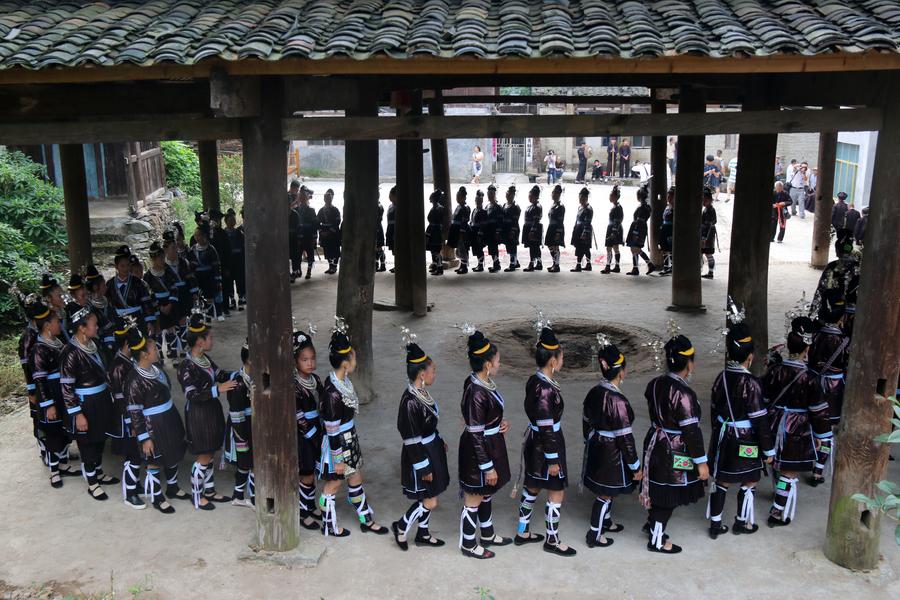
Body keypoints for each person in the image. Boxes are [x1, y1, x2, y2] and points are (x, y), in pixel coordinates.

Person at [317, 320, 387, 536]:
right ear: (345, 363)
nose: (356, 360)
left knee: (356, 478)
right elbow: (331, 429)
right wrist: (337, 459)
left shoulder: (343, 383)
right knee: (334, 485)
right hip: (339, 444)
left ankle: (365, 518)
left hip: (349, 438)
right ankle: (328, 522)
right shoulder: (331, 393)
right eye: (354, 357)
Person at [706, 321, 775, 538]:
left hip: (724, 436)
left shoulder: (721, 377)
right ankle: (742, 522)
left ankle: (715, 524)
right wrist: (768, 450)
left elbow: (714, 409)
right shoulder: (752, 383)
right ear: (750, 356)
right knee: (751, 479)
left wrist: (718, 431)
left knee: (722, 479)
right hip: (746, 441)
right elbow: (760, 420)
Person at [640, 333, 708, 554]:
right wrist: (701, 462)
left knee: (659, 489)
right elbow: (691, 432)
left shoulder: (655, 384)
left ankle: (652, 526)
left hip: (654, 441)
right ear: (689, 364)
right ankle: (657, 541)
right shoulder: (684, 394)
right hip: (674, 448)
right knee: (667, 497)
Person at [763, 317, 832, 527]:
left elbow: (765, 397)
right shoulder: (810, 378)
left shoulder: (774, 370)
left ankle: (778, 495)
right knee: (790, 471)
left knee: (776, 462)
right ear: (807, 349)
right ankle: (777, 511)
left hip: (775, 421)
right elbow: (818, 411)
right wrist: (823, 435)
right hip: (796, 426)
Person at [514, 325, 576, 557]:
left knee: (532, 486)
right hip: (546, 444)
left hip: (535, 441)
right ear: (552, 360)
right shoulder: (545, 389)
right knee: (556, 491)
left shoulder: (535, 380)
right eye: (560, 356)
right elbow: (547, 425)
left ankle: (523, 531)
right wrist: (552, 458)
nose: (562, 360)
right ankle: (552, 539)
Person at [390, 333, 450, 550]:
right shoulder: (409, 402)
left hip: (431, 448)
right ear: (422, 373)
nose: (436, 374)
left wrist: (438, 440)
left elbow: (427, 426)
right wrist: (423, 466)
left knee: (429, 495)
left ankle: (423, 533)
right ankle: (401, 526)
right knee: (430, 500)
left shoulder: (421, 393)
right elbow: (411, 437)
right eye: (433, 370)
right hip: (420, 455)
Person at [458, 328, 512, 559]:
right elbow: (475, 433)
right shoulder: (476, 392)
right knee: (474, 497)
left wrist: (499, 422)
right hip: (478, 451)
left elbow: (483, 419)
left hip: (491, 443)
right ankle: (468, 544)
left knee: (486, 492)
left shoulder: (482, 383)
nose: (500, 364)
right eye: (498, 360)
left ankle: (487, 534)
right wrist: (487, 466)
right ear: (488, 364)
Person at [582, 339, 641, 548]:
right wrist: (635, 465)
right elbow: (626, 437)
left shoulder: (594, 392)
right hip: (612, 451)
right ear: (622, 372)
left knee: (607, 487)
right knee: (605, 494)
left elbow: (585, 421)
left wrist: (589, 441)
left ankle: (606, 522)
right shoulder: (618, 401)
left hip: (596, 445)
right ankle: (594, 535)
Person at [124, 326, 187, 515]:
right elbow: (135, 413)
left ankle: (173, 487)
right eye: (154, 349)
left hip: (169, 417)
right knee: (154, 460)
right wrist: (145, 438)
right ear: (144, 355)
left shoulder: (156, 369)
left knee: (173, 451)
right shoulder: (134, 380)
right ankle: (157, 497)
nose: (157, 351)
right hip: (153, 425)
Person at [60, 304, 119, 500]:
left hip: (101, 398)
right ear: (82, 328)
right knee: (87, 443)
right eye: (93, 324)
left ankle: (99, 471)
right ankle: (92, 483)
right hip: (84, 403)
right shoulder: (70, 353)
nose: (97, 327)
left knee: (101, 437)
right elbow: (66, 388)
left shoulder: (96, 345)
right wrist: (77, 414)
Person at [178, 312, 236, 510]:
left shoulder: (205, 359)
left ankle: (209, 490)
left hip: (211, 410)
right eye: (210, 337)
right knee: (203, 456)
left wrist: (240, 373)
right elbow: (191, 395)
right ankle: (197, 495)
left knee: (210, 452)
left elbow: (220, 374)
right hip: (198, 415)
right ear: (199, 342)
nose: (212, 340)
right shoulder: (186, 366)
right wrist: (217, 389)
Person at [29, 298, 75, 488]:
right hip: (50, 393)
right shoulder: (38, 349)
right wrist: (48, 405)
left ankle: (63, 462)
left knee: (63, 428)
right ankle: (54, 470)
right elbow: (39, 380)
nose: (60, 324)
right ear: (47, 326)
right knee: (52, 431)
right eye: (57, 321)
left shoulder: (57, 342)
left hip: (61, 391)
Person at [808, 291, 849, 484]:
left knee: (810, 422)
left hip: (812, 382)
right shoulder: (845, 341)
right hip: (833, 388)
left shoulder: (814, 335)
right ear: (843, 315)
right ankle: (818, 470)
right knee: (827, 429)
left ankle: (806, 455)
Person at [106, 316, 143, 508]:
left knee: (136, 452)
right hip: (126, 418)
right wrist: (131, 423)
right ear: (128, 344)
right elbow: (121, 400)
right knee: (132, 455)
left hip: (133, 415)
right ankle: (130, 493)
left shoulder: (128, 361)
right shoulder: (118, 367)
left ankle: (135, 483)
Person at [292, 329, 325, 530]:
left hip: (317, 429)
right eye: (305, 360)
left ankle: (309, 505)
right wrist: (313, 435)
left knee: (312, 471)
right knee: (306, 474)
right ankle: (303, 512)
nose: (310, 363)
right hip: (303, 435)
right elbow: (298, 416)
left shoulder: (316, 380)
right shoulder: (294, 386)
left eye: (312, 358)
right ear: (295, 361)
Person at [223, 339, 254, 508]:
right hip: (241, 427)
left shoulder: (255, 377)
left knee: (249, 462)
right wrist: (242, 443)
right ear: (249, 360)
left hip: (253, 425)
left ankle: (238, 494)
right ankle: (253, 497)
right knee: (247, 461)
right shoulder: (237, 384)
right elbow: (237, 416)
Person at [160, 233, 195, 360]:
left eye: (176, 247)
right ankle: (173, 349)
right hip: (171, 297)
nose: (175, 250)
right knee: (171, 325)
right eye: (172, 248)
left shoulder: (184, 262)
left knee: (183, 321)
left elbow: (191, 278)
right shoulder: (163, 267)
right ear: (165, 250)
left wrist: (194, 293)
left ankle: (185, 347)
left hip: (184, 294)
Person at [106, 245, 156, 331]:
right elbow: (108, 305)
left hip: (138, 319)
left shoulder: (137, 282)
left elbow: (146, 302)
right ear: (116, 266)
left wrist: (149, 322)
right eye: (122, 266)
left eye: (128, 265)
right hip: (119, 321)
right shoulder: (110, 284)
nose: (126, 269)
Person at [188, 224, 225, 321]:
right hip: (198, 276)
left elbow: (216, 265)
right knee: (200, 296)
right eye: (195, 235)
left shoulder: (211, 248)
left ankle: (219, 312)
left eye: (199, 235)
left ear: (204, 236)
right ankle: (204, 316)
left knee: (214, 293)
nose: (197, 237)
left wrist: (218, 279)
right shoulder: (192, 249)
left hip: (210, 275)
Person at [625, 184, 655, 275]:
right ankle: (635, 268)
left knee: (635, 247)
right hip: (641, 227)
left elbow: (639, 221)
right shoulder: (647, 206)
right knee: (634, 248)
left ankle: (649, 264)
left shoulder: (642, 207)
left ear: (639, 197)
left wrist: (635, 232)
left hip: (637, 228)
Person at [207, 210, 233, 315]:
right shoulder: (208, 233)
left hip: (222, 264)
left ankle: (225, 307)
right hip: (211, 266)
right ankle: (213, 308)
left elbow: (228, 251)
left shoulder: (223, 233)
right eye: (214, 219)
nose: (216, 222)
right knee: (211, 287)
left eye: (217, 220)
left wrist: (227, 267)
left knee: (225, 286)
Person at [223, 209, 246, 307]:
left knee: (240, 278)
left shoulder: (239, 232)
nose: (233, 221)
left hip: (239, 258)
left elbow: (243, 245)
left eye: (234, 219)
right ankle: (231, 298)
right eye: (231, 219)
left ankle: (241, 297)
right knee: (229, 279)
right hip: (229, 259)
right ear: (226, 221)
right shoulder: (223, 234)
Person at [447, 187, 471, 275]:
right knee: (459, 248)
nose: (457, 198)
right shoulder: (459, 206)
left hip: (462, 230)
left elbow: (464, 221)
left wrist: (462, 232)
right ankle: (462, 265)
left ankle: (464, 267)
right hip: (456, 230)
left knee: (463, 248)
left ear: (464, 197)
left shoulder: (465, 208)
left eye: (459, 196)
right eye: (457, 196)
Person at [318, 189, 342, 275]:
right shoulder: (321, 210)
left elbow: (337, 222)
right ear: (324, 199)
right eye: (326, 198)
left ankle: (334, 266)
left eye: (329, 198)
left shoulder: (335, 210)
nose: (328, 199)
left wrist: (330, 232)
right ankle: (330, 266)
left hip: (333, 234)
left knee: (335, 251)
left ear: (332, 199)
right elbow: (317, 222)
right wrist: (321, 231)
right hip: (324, 233)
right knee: (327, 250)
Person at [601, 185, 624, 274]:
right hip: (615, 228)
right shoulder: (617, 206)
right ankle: (617, 266)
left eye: (611, 195)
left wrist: (613, 232)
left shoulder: (617, 207)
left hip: (614, 229)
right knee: (615, 248)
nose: (609, 197)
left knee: (609, 248)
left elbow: (618, 220)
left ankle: (608, 266)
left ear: (615, 197)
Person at [570, 187, 593, 272]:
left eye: (582, 198)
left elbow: (588, 222)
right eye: (580, 198)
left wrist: (585, 232)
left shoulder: (588, 209)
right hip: (578, 229)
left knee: (582, 247)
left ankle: (579, 265)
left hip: (584, 230)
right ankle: (588, 264)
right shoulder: (580, 207)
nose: (580, 199)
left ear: (586, 198)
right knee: (585, 248)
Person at [522, 185, 544, 272]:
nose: (529, 197)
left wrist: (532, 231)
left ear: (535, 196)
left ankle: (532, 263)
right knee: (534, 247)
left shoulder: (537, 207)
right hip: (530, 228)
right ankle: (538, 263)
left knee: (533, 247)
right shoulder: (532, 206)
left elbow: (536, 220)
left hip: (534, 229)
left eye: (531, 196)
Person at [545, 185, 565, 273]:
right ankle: (554, 263)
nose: (553, 194)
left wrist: (558, 232)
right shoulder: (554, 205)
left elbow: (560, 221)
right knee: (550, 245)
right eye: (553, 193)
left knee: (555, 247)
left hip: (557, 228)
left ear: (559, 194)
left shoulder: (560, 206)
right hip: (551, 227)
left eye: (556, 193)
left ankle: (557, 265)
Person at [501, 186, 522, 272]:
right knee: (508, 246)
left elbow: (515, 220)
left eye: (510, 194)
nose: (508, 195)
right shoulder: (505, 205)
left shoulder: (516, 207)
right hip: (506, 228)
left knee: (512, 246)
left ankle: (512, 264)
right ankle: (516, 261)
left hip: (513, 228)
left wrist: (513, 231)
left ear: (513, 195)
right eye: (507, 193)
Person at [425, 190, 446, 276]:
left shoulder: (438, 208)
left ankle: (440, 268)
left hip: (435, 231)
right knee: (433, 250)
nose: (430, 199)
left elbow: (434, 222)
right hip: (434, 230)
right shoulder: (436, 207)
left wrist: (428, 233)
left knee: (436, 250)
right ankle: (436, 265)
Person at [484, 185, 503, 273]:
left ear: (495, 194)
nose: (490, 195)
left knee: (494, 248)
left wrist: (498, 231)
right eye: (488, 193)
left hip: (494, 230)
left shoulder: (498, 206)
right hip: (488, 230)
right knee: (490, 248)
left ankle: (497, 264)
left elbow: (500, 220)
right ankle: (495, 263)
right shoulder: (487, 206)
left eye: (492, 193)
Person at [469, 190, 488, 273]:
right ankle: (479, 263)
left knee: (479, 248)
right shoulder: (474, 210)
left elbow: (483, 224)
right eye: (476, 200)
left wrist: (480, 233)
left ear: (482, 201)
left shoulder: (483, 211)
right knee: (475, 248)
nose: (478, 202)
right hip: (473, 231)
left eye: (479, 200)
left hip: (479, 232)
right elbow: (471, 220)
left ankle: (481, 265)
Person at [288, 179, 302, 281]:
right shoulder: (287, 196)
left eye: (298, 190)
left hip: (295, 223)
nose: (296, 192)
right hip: (288, 228)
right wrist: (296, 202)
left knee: (296, 254)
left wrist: (301, 201)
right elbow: (287, 207)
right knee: (289, 254)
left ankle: (296, 270)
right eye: (296, 190)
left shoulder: (297, 196)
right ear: (292, 187)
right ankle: (291, 272)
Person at [700, 188, 717, 279]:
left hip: (708, 234)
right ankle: (709, 272)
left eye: (704, 200)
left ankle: (710, 272)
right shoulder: (707, 209)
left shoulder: (710, 210)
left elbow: (708, 225)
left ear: (709, 199)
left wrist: (704, 238)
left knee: (708, 253)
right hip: (707, 233)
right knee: (705, 252)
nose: (703, 201)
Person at [659, 187, 675, 276]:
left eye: (671, 196)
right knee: (664, 248)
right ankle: (666, 266)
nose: (669, 198)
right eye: (668, 196)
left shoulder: (675, 207)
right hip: (664, 228)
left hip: (670, 229)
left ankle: (672, 266)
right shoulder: (667, 207)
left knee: (670, 249)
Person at [375, 193, 387, 273]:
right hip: (378, 227)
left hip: (377, 227)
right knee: (378, 247)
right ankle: (381, 264)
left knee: (378, 247)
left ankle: (380, 264)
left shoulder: (378, 206)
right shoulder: (379, 205)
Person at [386, 186, 397, 272]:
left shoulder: (399, 206)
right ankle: (396, 265)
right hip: (390, 228)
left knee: (397, 249)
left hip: (395, 229)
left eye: (391, 195)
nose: (389, 197)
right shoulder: (390, 206)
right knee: (393, 249)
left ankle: (399, 265)